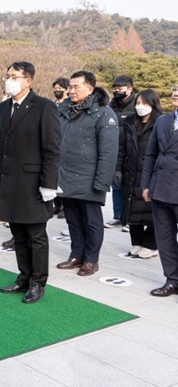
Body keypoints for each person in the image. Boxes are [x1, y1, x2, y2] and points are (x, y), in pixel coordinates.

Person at [0, 62, 61, 304]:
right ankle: (24, 276)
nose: (9, 80)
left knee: (35, 234)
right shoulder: (2, 108)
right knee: (18, 233)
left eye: (14, 76)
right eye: (7, 75)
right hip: (8, 181)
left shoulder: (44, 107)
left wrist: (49, 184)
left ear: (28, 81)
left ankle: (38, 282)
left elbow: (52, 149)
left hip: (32, 183)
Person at [56, 71, 119, 277]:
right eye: (70, 87)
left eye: (76, 87)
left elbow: (108, 152)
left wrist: (101, 182)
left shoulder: (103, 113)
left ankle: (91, 259)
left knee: (92, 222)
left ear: (90, 89)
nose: (71, 91)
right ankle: (76, 254)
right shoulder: (63, 110)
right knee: (72, 219)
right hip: (66, 175)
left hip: (89, 178)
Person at [141, 84, 178, 297]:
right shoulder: (163, 121)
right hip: (160, 187)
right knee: (164, 238)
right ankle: (172, 280)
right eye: (174, 89)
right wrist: (146, 184)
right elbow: (151, 154)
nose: (175, 93)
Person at [117, 89, 162, 258]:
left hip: (150, 172)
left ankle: (150, 245)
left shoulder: (160, 122)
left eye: (145, 103)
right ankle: (136, 242)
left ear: (153, 104)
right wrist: (118, 168)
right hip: (130, 171)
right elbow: (121, 148)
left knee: (150, 210)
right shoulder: (129, 122)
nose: (140, 106)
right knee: (131, 208)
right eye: (138, 103)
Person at [106, 75, 137, 229]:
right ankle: (118, 216)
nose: (116, 90)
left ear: (130, 89)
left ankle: (130, 218)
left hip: (131, 152)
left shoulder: (136, 105)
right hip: (114, 151)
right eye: (115, 88)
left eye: (120, 88)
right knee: (116, 185)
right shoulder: (110, 106)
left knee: (130, 187)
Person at [51, 77, 70, 219]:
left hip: (65, 142)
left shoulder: (70, 105)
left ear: (67, 90)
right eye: (55, 89)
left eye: (60, 89)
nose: (57, 91)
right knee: (54, 175)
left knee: (63, 176)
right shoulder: (51, 105)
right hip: (53, 142)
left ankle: (64, 205)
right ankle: (56, 204)